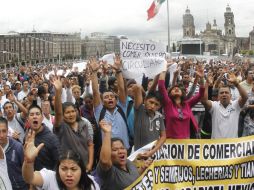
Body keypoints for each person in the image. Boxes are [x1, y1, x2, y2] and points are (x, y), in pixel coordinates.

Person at [22, 130, 100, 190]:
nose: (69, 174)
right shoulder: (50, 178)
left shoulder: (92, 185)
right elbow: (30, 178)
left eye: (73, 169)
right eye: (64, 169)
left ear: (82, 170)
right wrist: (28, 162)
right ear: (58, 168)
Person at [54, 77, 94, 172]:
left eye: (73, 111)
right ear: (63, 115)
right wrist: (58, 92)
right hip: (70, 170)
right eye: (67, 112)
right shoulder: (62, 127)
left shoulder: (83, 124)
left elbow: (90, 145)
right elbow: (58, 113)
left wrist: (90, 164)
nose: (71, 114)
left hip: (86, 168)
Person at [96, 120, 150, 190]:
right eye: (115, 150)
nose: (121, 151)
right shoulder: (109, 172)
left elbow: (133, 178)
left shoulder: (128, 162)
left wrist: (143, 168)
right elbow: (105, 161)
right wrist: (107, 133)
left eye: (122, 148)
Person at [90, 56, 130, 150]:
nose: (110, 98)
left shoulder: (122, 108)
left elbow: (121, 89)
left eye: (112, 96)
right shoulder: (99, 111)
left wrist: (118, 71)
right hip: (108, 153)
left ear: (116, 100)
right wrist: (94, 72)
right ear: (102, 102)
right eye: (106, 97)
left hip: (124, 150)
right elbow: (95, 91)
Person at [158, 66, 205, 139]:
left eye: (178, 88)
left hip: (186, 142)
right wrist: (163, 68)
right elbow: (161, 86)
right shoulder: (168, 104)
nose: (176, 88)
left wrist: (201, 78)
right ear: (169, 94)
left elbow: (201, 94)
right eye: (173, 89)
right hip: (171, 142)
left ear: (182, 93)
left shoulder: (187, 104)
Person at [201, 73, 248, 138]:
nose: (224, 94)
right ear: (218, 96)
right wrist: (206, 84)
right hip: (217, 145)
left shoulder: (236, 105)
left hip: (231, 145)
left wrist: (236, 84)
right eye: (221, 93)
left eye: (226, 92)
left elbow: (245, 97)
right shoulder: (214, 106)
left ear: (231, 96)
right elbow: (204, 101)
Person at [131, 84, 166, 156]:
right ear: (145, 100)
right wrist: (144, 93)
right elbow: (137, 87)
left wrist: (152, 152)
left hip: (153, 155)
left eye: (156, 104)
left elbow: (163, 136)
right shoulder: (140, 110)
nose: (153, 106)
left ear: (159, 107)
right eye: (151, 102)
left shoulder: (159, 117)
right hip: (139, 155)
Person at [26, 104, 60, 170]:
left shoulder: (52, 138)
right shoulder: (27, 137)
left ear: (42, 118)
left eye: (37, 114)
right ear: (28, 119)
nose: (34, 117)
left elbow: (58, 163)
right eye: (32, 114)